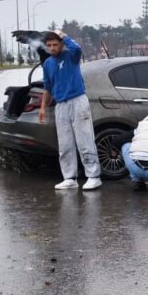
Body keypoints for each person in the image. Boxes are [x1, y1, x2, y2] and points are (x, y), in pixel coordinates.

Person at [39, 30, 101, 191]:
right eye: (49, 45)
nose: (52, 48)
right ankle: (69, 178)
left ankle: (93, 176)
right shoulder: (47, 64)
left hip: (78, 101)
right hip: (61, 105)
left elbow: (78, 50)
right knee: (65, 144)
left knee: (84, 140)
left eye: (55, 44)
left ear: (61, 45)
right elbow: (47, 86)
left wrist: (65, 36)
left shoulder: (70, 56)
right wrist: (42, 108)